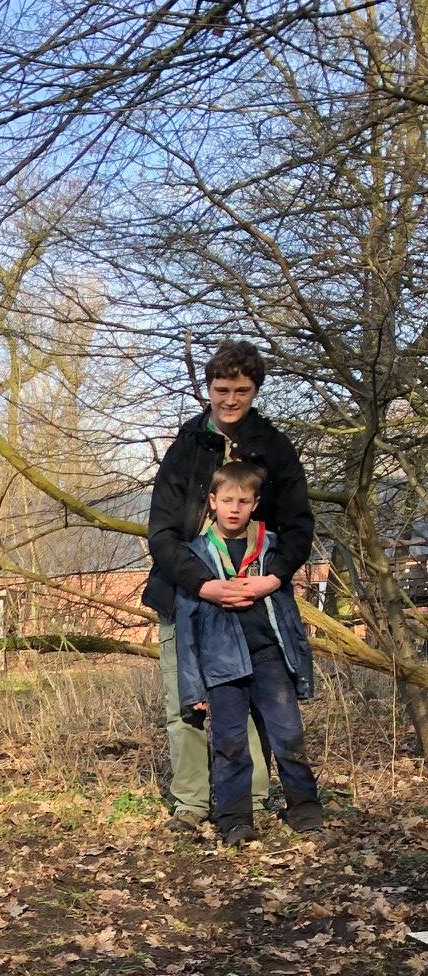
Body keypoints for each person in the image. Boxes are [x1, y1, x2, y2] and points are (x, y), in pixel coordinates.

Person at [143, 340, 315, 831]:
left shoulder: (275, 449)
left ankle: (251, 805)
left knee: (258, 708)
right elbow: (161, 534)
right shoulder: (185, 450)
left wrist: (273, 578)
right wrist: (204, 586)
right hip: (187, 594)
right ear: (209, 388)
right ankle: (192, 805)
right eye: (222, 389)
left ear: (255, 390)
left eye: (242, 390)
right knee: (188, 705)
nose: (231, 400)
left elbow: (298, 526)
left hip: (256, 598)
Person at [175, 460, 322, 845]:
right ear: (212, 501)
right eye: (227, 500)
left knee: (289, 738)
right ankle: (235, 821)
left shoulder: (273, 549)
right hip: (221, 667)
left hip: (270, 660)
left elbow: (290, 616)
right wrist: (194, 690)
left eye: (243, 500)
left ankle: (306, 814)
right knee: (229, 745)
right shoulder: (196, 556)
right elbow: (186, 629)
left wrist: (299, 665)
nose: (234, 508)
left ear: (255, 503)